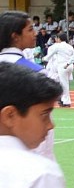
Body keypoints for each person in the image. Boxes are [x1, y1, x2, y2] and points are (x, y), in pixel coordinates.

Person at [0, 11, 56, 161]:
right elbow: (43, 116)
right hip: (26, 147)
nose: (35, 33)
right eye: (30, 29)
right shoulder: (36, 72)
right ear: (15, 36)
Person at [43, 33, 74, 107]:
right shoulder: (70, 46)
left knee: (64, 84)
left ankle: (66, 101)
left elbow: (49, 56)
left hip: (62, 65)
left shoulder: (58, 46)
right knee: (65, 83)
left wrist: (43, 58)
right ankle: (64, 99)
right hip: (70, 65)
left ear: (59, 39)